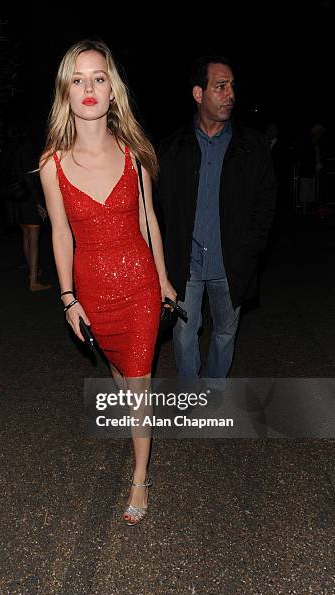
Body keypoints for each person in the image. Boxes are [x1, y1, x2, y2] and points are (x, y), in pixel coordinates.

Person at [38, 40, 176, 525]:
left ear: (112, 90)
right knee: (118, 370)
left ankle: (140, 477)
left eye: (98, 78)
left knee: (138, 384)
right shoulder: (51, 165)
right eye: (78, 80)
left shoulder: (135, 155)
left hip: (138, 285)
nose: (89, 88)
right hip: (93, 292)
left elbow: (149, 223)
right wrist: (67, 298)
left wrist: (163, 281)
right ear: (66, 93)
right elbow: (59, 234)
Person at [156, 55, 276, 396]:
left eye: (232, 86)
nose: (230, 94)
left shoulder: (251, 147)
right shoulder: (173, 149)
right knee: (183, 333)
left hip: (232, 264)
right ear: (198, 93)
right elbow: (157, 207)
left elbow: (266, 204)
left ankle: (214, 388)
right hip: (187, 265)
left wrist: (250, 250)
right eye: (220, 86)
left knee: (225, 331)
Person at [2, 126, 52, 291]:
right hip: (28, 199)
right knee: (34, 239)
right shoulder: (27, 147)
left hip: (15, 198)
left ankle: (32, 273)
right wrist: (39, 203)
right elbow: (29, 176)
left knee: (26, 236)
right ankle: (34, 282)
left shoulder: (9, 147)